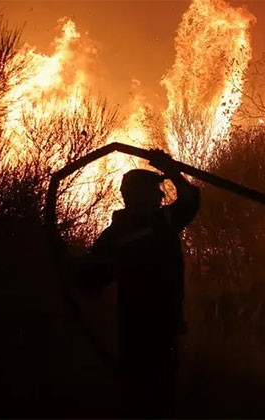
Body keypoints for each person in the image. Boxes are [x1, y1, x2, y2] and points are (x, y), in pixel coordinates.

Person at [85, 150, 200, 418]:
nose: (161, 197)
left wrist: (171, 171)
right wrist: (172, 172)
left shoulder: (123, 232)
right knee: (149, 398)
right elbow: (91, 282)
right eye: (156, 192)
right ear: (139, 196)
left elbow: (90, 281)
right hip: (144, 327)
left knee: (152, 396)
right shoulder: (152, 226)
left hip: (154, 326)